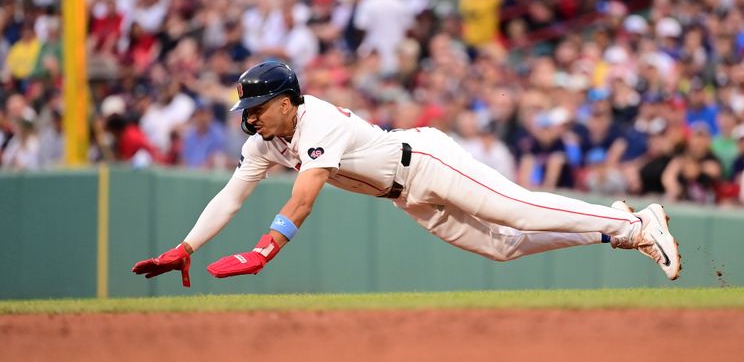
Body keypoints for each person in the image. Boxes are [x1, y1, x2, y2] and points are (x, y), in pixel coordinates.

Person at [132, 60, 681, 288]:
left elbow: (304, 197)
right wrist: (187, 246)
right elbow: (229, 197)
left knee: (517, 209)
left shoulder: (315, 117)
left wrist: (265, 249)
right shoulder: (265, 142)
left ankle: (635, 228)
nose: (248, 118)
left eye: (256, 107)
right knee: (504, 247)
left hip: (425, 162)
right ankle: (618, 226)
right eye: (246, 112)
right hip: (405, 195)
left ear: (286, 100)